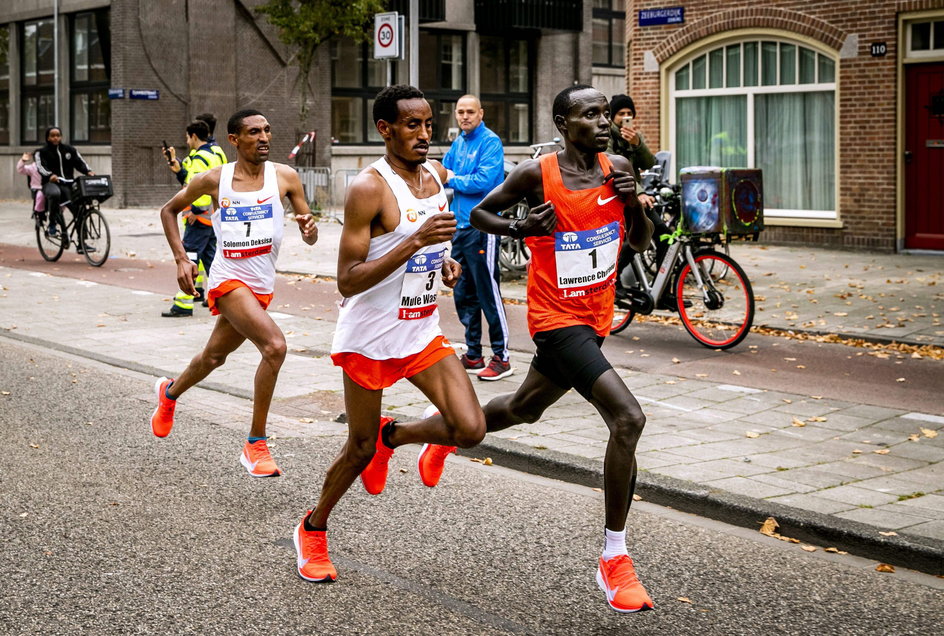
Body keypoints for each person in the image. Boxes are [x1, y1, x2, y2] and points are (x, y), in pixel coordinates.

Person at [431, 85, 656, 613]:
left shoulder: (618, 165)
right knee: (628, 419)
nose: (603, 122)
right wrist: (520, 226)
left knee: (521, 409)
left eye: (606, 114)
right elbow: (481, 215)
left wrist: (629, 199)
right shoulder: (538, 174)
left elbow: (641, 241)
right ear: (562, 122)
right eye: (589, 114)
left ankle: (445, 430)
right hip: (555, 319)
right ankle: (614, 558)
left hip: (595, 317)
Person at [292, 85, 486, 583]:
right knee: (357, 450)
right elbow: (348, 278)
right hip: (371, 336)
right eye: (412, 125)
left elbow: (432, 247)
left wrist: (444, 264)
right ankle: (313, 528)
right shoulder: (369, 189)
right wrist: (415, 242)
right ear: (385, 129)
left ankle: (394, 436)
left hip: (420, 331)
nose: (425, 135)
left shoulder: (437, 176)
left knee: (470, 429)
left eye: (428, 124)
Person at [150, 109, 318, 477]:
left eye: (268, 131)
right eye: (254, 132)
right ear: (234, 140)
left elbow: (310, 233)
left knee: (212, 358)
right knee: (274, 346)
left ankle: (170, 393)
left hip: (261, 285)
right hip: (227, 280)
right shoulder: (214, 179)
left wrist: (309, 229)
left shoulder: (286, 177)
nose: (264, 138)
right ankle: (255, 443)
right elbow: (169, 210)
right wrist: (181, 259)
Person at [442, 94, 512, 381]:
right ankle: (473, 354)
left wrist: (451, 178)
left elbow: (484, 181)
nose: (465, 117)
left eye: (470, 112)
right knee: (463, 292)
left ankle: (502, 358)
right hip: (459, 228)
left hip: (483, 227)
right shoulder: (458, 143)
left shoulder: (490, 142)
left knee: (487, 292)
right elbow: (440, 173)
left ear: (481, 113)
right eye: (460, 112)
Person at [607, 94, 677, 308]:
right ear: (612, 116)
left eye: (629, 114)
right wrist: (638, 193)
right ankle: (613, 281)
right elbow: (611, 166)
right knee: (638, 238)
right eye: (621, 114)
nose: (626, 117)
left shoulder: (633, 137)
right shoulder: (606, 136)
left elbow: (649, 163)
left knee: (666, 235)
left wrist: (637, 144)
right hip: (617, 196)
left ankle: (662, 291)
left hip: (636, 196)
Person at [161, 119, 224, 317]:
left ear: (194, 136)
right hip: (214, 216)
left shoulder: (200, 158)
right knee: (212, 258)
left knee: (188, 255)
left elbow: (197, 188)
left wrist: (193, 211)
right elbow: (192, 178)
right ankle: (220, 297)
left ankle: (183, 303)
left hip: (199, 216)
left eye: (187, 138)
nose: (187, 141)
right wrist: (178, 168)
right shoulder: (217, 152)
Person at [34, 126, 94, 242]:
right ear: (48, 138)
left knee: (79, 209)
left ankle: (82, 243)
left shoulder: (69, 150)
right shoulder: (41, 152)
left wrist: (88, 171)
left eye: (58, 135)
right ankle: (52, 223)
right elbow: (40, 166)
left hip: (68, 184)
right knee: (55, 194)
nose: (56, 138)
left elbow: (79, 162)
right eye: (53, 136)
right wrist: (49, 175)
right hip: (50, 183)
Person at [16, 152, 46, 219]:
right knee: (40, 196)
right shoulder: (32, 168)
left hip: (49, 188)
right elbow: (20, 170)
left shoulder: (50, 166)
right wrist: (23, 161)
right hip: (37, 189)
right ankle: (39, 211)